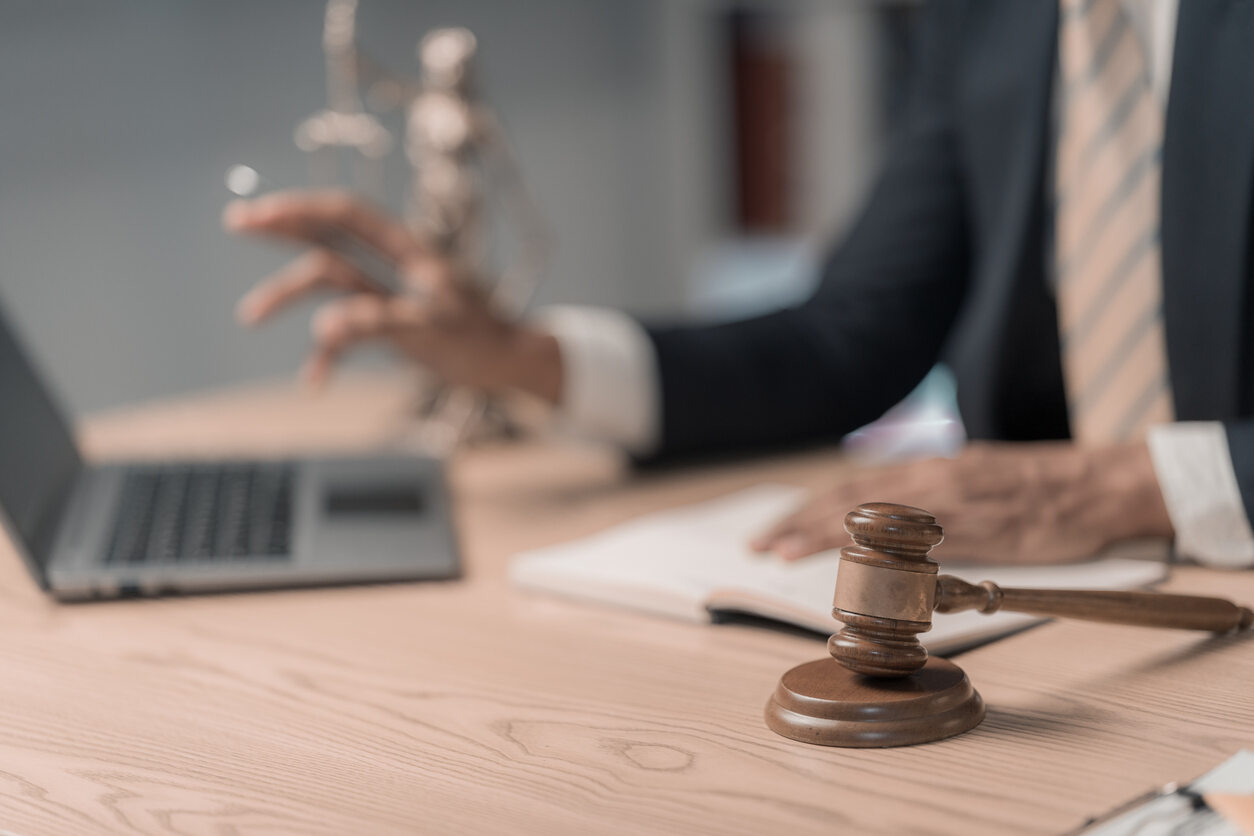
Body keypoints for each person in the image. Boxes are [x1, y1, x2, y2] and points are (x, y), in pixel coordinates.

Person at [223, 0, 1254, 569]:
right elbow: (847, 337)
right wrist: (520, 356)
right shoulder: (989, 20)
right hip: (1068, 622)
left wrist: (1135, 484)